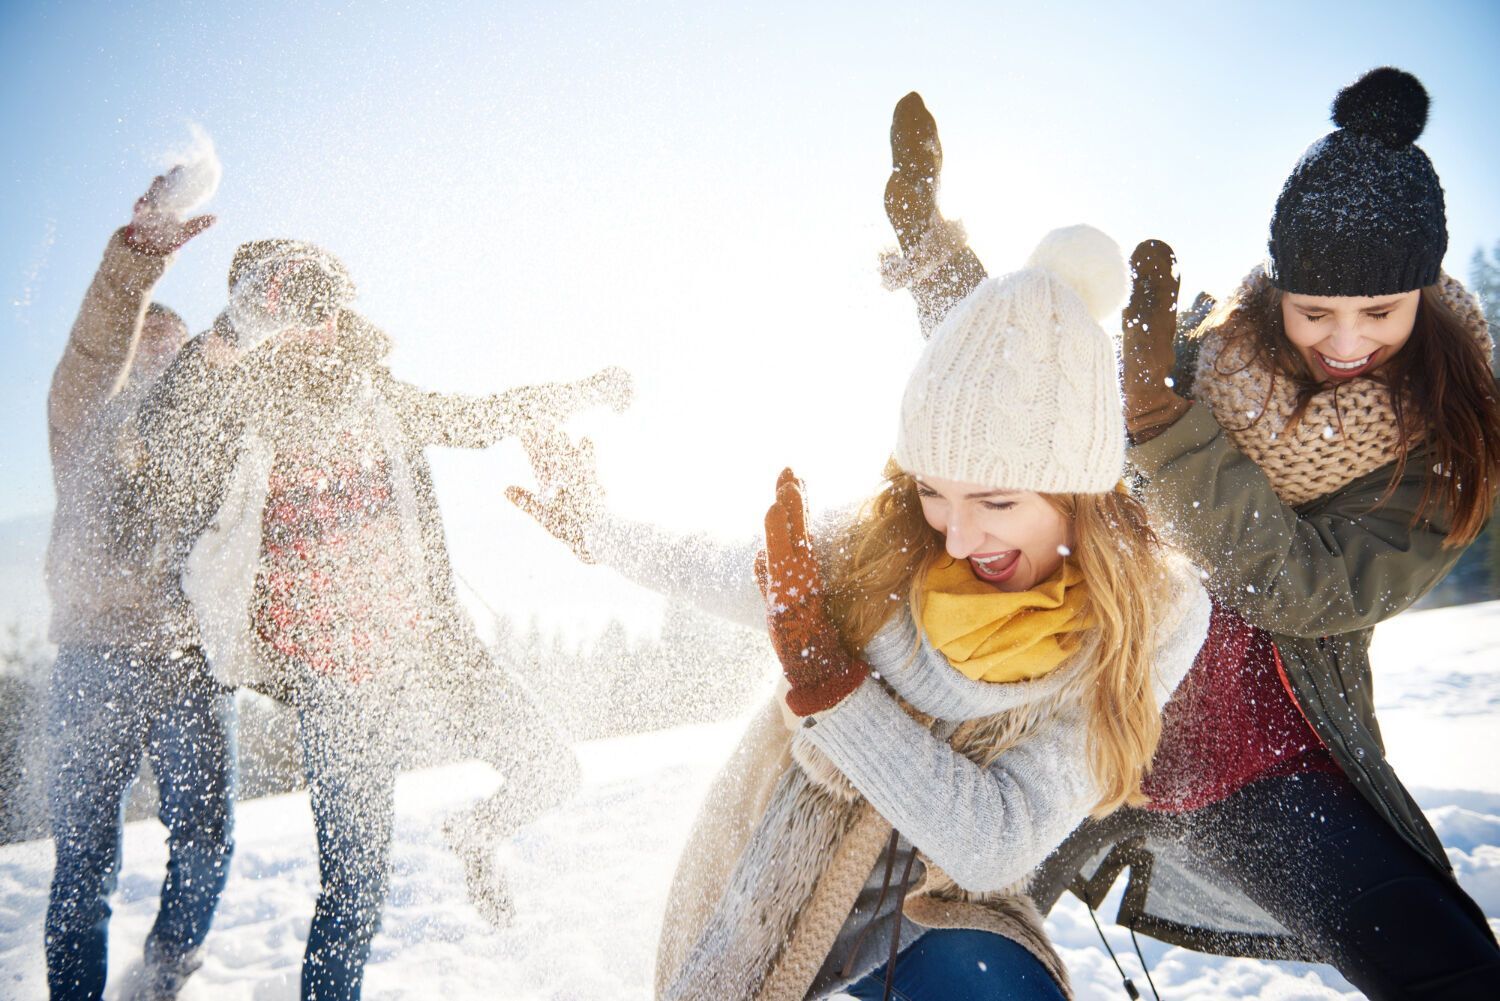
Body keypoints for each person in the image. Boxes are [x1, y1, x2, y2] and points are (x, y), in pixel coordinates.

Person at [880, 71, 1500, 999]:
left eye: (1379, 312)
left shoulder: (1440, 445)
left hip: (1258, 775)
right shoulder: (1198, 359)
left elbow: (1302, 589)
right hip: (1081, 743)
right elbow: (1017, 391)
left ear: (1422, 293)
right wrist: (930, 248)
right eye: (1314, 310)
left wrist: (1162, 431)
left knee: (1449, 967)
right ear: (1276, 291)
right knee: (922, 948)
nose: (1343, 340)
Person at [508, 224, 1211, 1000]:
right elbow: (712, 563)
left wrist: (833, 689)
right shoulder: (882, 548)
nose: (959, 532)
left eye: (997, 500)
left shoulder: (1152, 615)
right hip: (781, 879)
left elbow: (994, 841)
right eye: (934, 490)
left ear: (1079, 492)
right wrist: (596, 529)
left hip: (940, 908)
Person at [130, 239, 629, 1001]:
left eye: (324, 306)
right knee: (355, 893)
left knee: (553, 767)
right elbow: (163, 441)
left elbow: (480, 417)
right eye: (289, 308)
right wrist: (233, 328)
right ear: (260, 319)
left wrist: (582, 390)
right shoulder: (233, 416)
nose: (315, 325)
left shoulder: (379, 393)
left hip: (430, 647)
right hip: (336, 685)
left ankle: (475, 831)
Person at [43, 171, 233, 1001]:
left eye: (175, 348)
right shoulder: (88, 416)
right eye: (145, 344)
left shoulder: (205, 436)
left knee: (207, 838)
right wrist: (133, 270)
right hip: (95, 655)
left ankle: (160, 974)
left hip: (191, 660)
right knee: (85, 859)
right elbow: (94, 351)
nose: (160, 358)